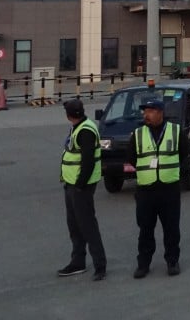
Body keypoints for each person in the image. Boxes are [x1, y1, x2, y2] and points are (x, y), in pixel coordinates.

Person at [129, 98, 188, 278]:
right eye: (145, 111)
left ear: (160, 113)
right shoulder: (137, 134)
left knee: (171, 228)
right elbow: (132, 157)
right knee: (145, 229)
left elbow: (184, 154)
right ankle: (143, 264)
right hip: (146, 191)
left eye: (151, 111)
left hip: (168, 190)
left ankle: (172, 261)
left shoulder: (176, 131)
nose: (146, 114)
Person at [58, 98, 107, 281]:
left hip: (81, 187)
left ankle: (99, 265)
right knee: (75, 226)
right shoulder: (79, 126)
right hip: (72, 185)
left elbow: (87, 162)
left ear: (69, 115)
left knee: (87, 226)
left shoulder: (85, 130)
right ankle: (77, 261)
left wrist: (79, 185)